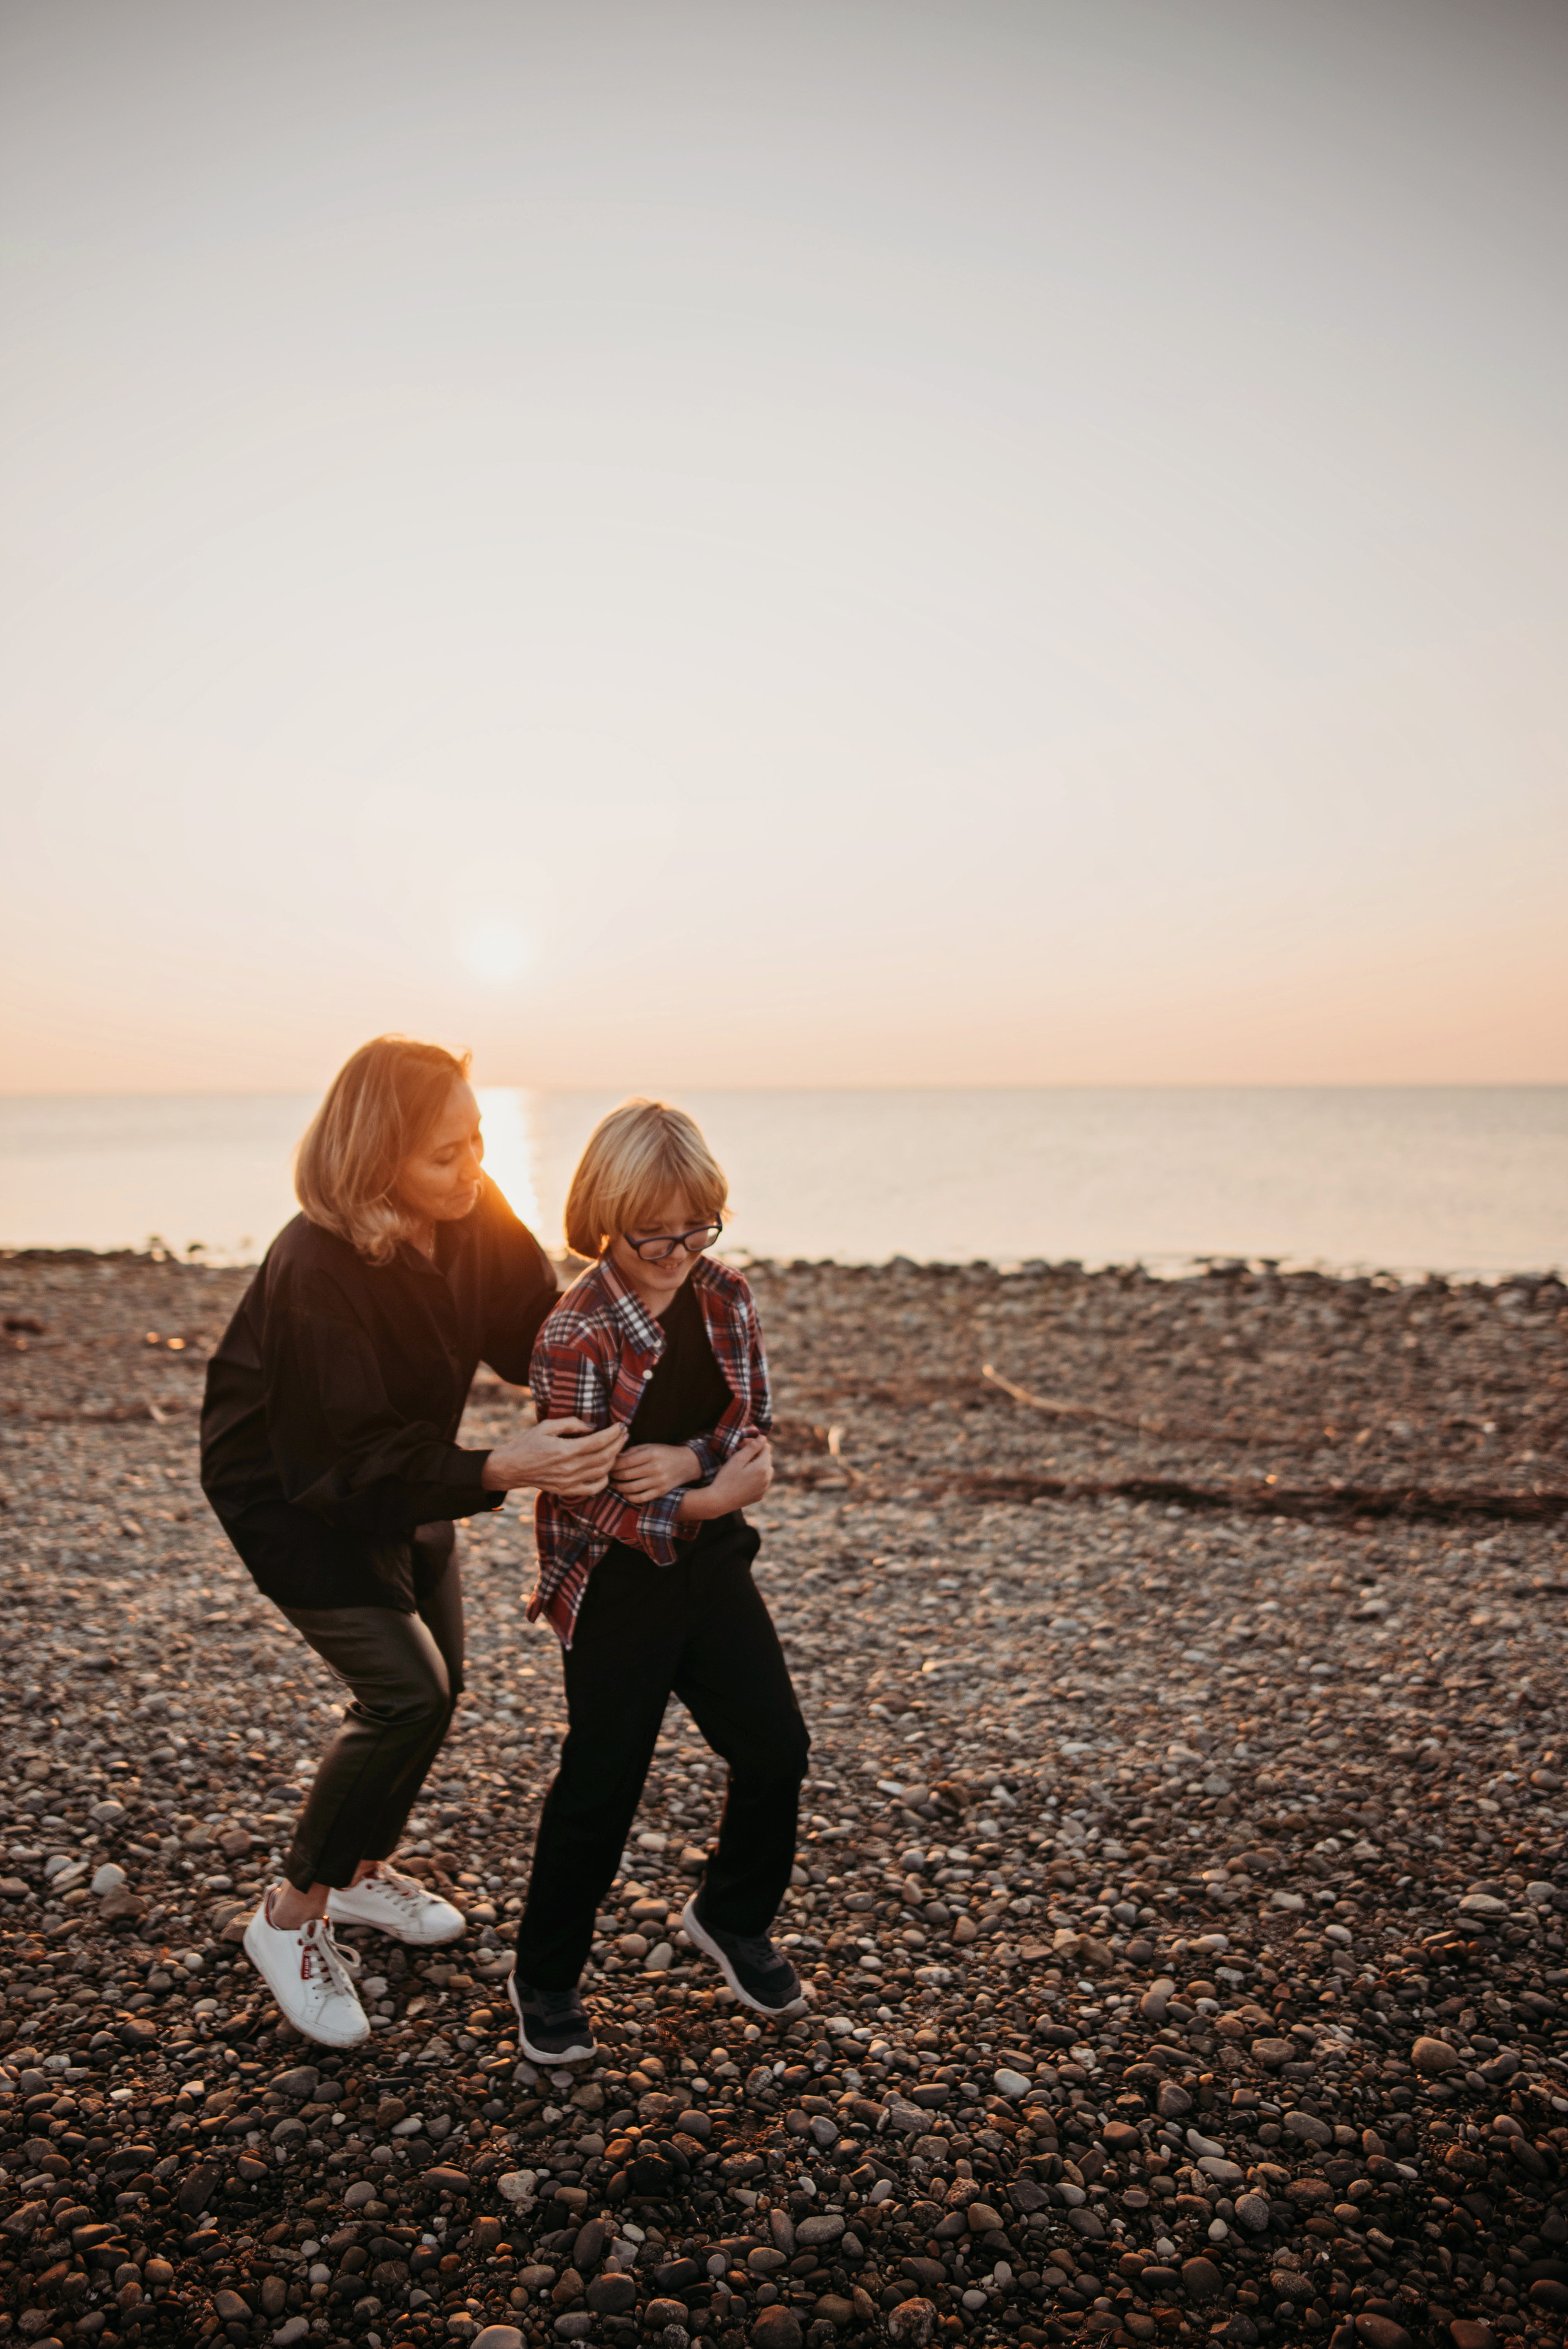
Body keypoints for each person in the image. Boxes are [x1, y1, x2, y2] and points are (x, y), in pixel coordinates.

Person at [200, 1036, 626, 2048]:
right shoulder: (314, 1266)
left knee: (446, 1680)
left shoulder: (471, 1208)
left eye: (477, 1140)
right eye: (445, 1152)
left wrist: (644, 1339)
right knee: (406, 1692)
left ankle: (358, 1873)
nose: (472, 1164)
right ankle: (289, 1916)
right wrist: (502, 1465)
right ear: (376, 1156)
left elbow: (535, 1328)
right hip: (296, 1491)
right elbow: (338, 1461)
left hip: (411, 1466)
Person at [509, 1099, 810, 2064]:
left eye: (697, 1228)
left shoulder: (727, 1292)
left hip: (712, 1567)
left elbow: (750, 1417)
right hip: (612, 1581)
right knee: (603, 1785)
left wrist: (688, 1462)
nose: (678, 1251)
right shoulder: (575, 1332)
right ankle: (544, 1976)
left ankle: (731, 1913)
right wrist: (709, 1498)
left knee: (777, 1749)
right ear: (604, 1216)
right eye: (654, 1234)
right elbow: (580, 1491)